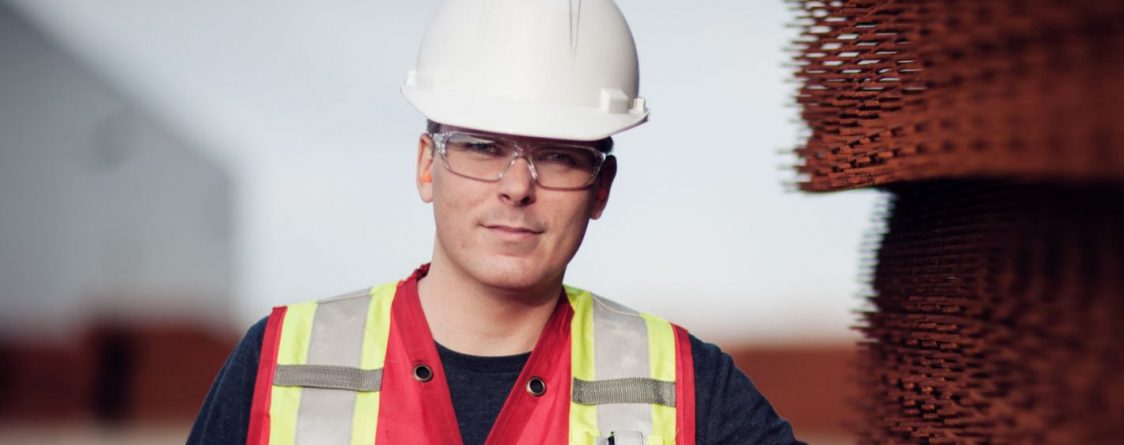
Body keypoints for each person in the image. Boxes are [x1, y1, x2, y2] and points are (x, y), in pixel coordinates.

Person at [187, 0, 800, 443]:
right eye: (481, 147)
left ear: (601, 190)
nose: (516, 187)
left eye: (559, 156)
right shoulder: (278, 366)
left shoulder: (685, 387)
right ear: (428, 167)